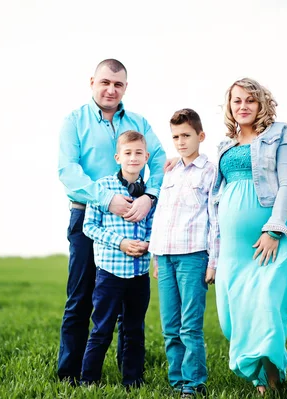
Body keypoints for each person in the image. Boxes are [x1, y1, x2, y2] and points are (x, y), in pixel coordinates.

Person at [57, 59, 166, 384]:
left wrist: (150, 196)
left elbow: (159, 160)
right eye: (105, 82)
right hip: (87, 214)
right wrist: (107, 199)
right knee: (80, 298)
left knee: (127, 303)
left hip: (134, 217)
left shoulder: (138, 122)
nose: (110, 89)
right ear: (92, 82)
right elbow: (68, 170)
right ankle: (70, 375)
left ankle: (128, 376)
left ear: (125, 87)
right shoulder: (74, 121)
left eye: (118, 84)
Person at [211, 78, 287, 395]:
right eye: (236, 101)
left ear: (262, 103)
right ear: (230, 106)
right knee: (232, 313)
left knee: (265, 304)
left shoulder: (280, 134)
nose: (243, 106)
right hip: (233, 246)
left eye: (250, 100)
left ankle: (272, 383)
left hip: (273, 233)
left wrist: (274, 229)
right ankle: (257, 376)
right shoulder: (225, 145)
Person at [149, 108, 217, 397]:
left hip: (193, 256)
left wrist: (213, 261)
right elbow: (161, 215)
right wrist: (155, 255)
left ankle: (193, 383)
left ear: (200, 136)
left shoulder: (211, 171)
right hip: (164, 256)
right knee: (170, 326)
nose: (180, 141)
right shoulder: (170, 170)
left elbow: (216, 218)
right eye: (175, 136)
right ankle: (176, 381)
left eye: (186, 135)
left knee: (190, 327)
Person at [80, 130, 154, 388]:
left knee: (134, 330)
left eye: (138, 153)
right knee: (101, 329)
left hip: (139, 273)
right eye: (127, 153)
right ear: (118, 157)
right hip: (110, 272)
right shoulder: (102, 188)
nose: (133, 158)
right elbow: (89, 227)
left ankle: (133, 381)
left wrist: (148, 244)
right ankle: (89, 380)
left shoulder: (150, 194)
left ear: (146, 157)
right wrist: (120, 242)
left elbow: (156, 227)